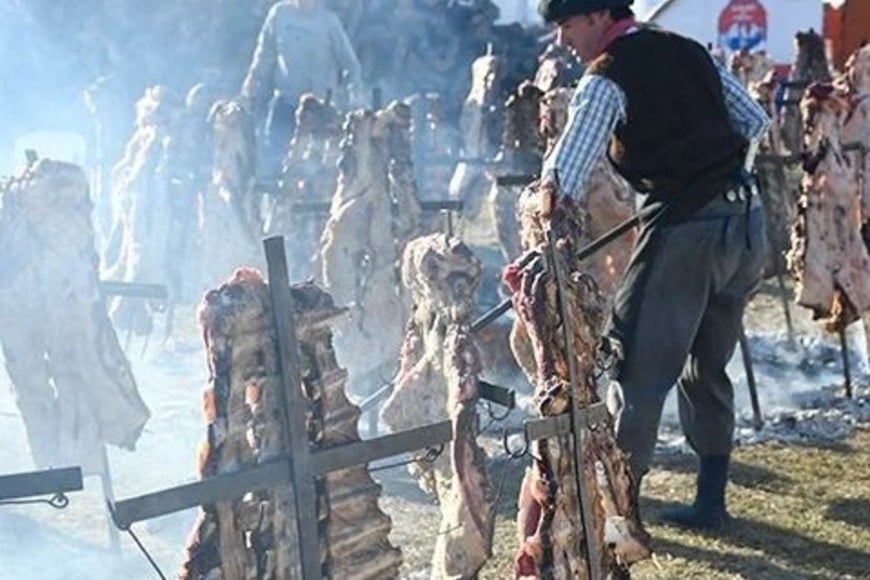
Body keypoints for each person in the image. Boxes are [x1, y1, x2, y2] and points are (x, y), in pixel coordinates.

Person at [537, 0, 770, 529]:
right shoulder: (687, 51)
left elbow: (565, 174)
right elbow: (755, 121)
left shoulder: (606, 77)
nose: (562, 41)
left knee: (638, 368)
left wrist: (544, 233)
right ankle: (711, 502)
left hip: (689, 232)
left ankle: (618, 513)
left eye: (566, 26)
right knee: (706, 365)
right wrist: (718, 176)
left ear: (597, 16)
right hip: (747, 222)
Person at [241, 0, 364, 169]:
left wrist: (355, 93)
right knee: (274, 155)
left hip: (321, 108)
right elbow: (265, 52)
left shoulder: (329, 23)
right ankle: (274, 190)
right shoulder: (279, 14)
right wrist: (253, 77)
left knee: (316, 163)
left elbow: (349, 63)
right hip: (286, 100)